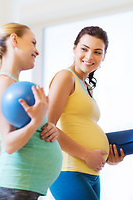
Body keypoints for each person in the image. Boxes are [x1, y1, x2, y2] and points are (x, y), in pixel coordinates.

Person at [0, 23, 62, 199]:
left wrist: (48, 127)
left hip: (22, 189)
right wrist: (36, 122)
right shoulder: (4, 83)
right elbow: (9, 144)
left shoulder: (12, 84)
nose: (37, 51)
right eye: (33, 43)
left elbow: (28, 132)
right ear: (14, 40)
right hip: (13, 189)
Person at [46, 26, 125, 200]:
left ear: (103, 57)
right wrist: (87, 154)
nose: (90, 57)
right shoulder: (65, 77)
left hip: (91, 173)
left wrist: (107, 156)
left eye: (97, 52)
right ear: (74, 49)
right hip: (69, 170)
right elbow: (47, 127)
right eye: (84, 49)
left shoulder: (87, 86)